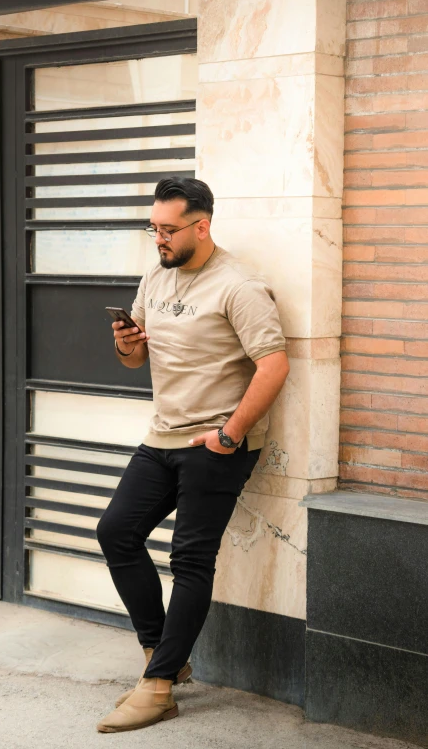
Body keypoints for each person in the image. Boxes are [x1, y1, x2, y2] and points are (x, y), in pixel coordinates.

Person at [96, 177, 289, 733]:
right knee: (117, 532)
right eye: (153, 227)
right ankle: (165, 655)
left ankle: (157, 687)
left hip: (215, 442)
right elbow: (136, 360)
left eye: (167, 229)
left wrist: (229, 435)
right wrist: (126, 346)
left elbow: (273, 365)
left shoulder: (239, 286)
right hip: (162, 437)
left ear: (201, 226)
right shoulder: (156, 273)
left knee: (190, 559)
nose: (157, 238)